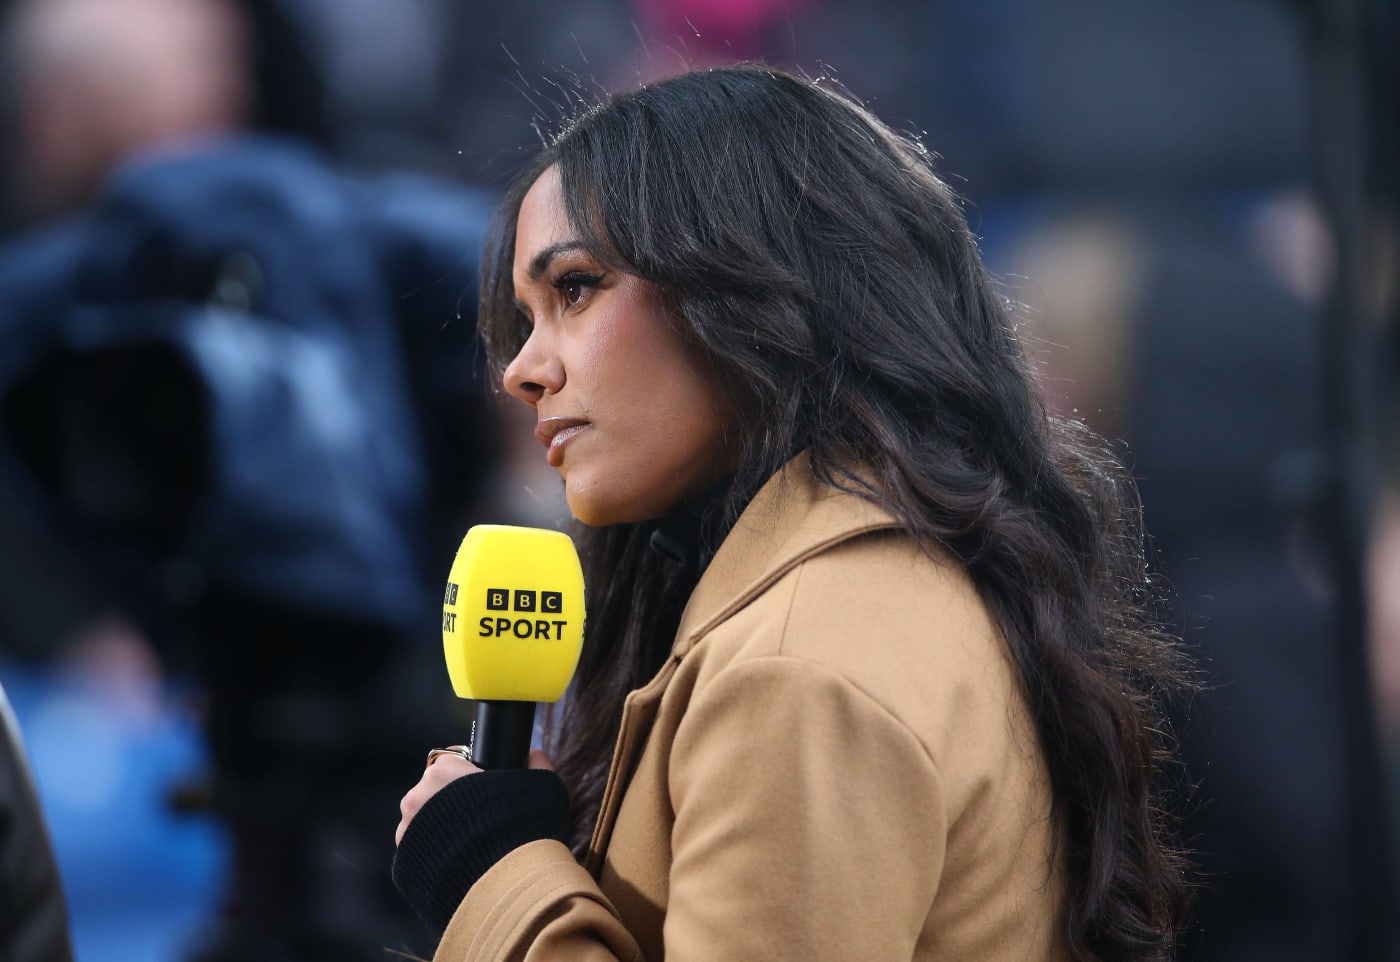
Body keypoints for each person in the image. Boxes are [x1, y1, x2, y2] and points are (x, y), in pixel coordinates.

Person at [391, 63, 1191, 961]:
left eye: (574, 289)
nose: (521, 371)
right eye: (525, 318)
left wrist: (496, 875)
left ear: (748, 285)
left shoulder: (798, 664)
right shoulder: (865, 591)